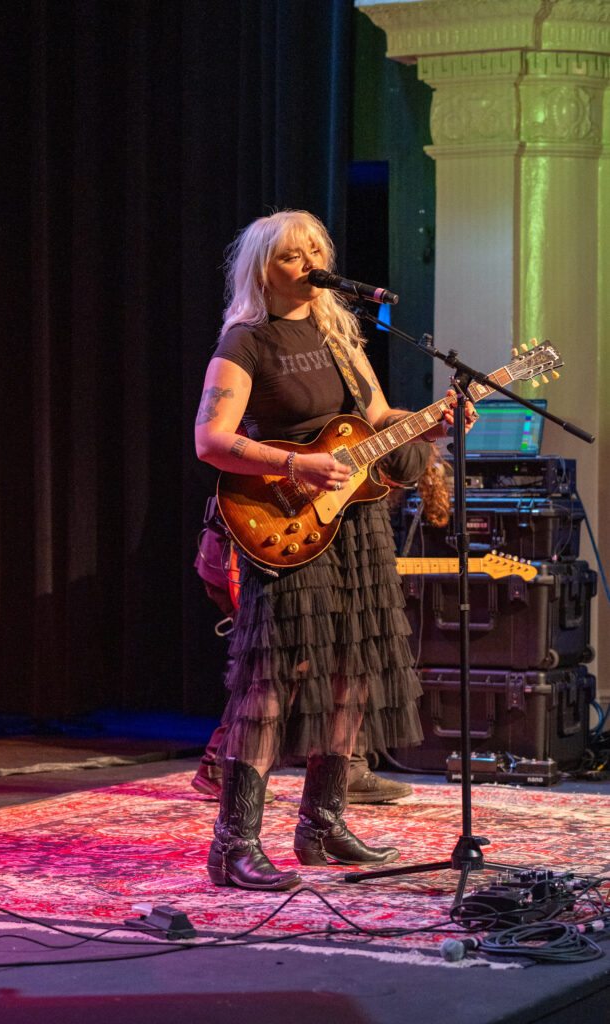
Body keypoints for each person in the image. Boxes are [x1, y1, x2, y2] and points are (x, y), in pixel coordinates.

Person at [194, 209, 476, 892]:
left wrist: (433, 421)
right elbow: (210, 440)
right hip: (283, 520)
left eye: (317, 248)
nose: (311, 261)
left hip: (351, 524)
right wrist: (291, 466)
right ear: (265, 267)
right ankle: (233, 843)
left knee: (353, 669)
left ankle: (321, 823)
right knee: (274, 679)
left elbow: (376, 422)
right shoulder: (246, 341)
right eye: (294, 254)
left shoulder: (340, 338)